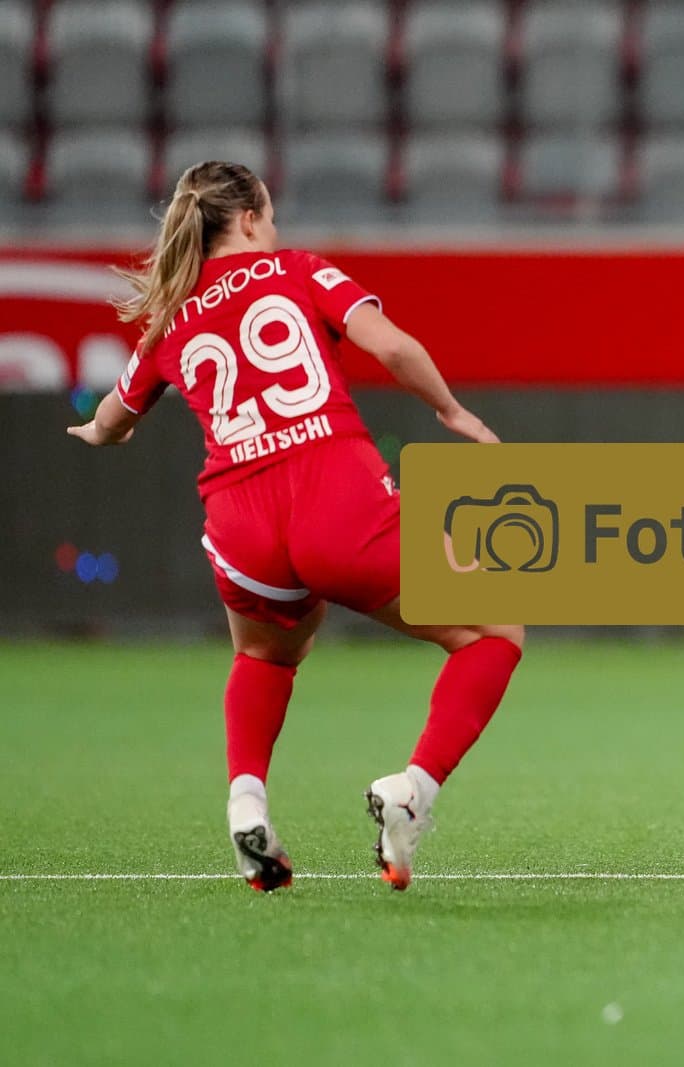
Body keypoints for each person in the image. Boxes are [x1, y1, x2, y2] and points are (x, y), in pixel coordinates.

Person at [68, 161, 524, 892]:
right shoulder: (299, 270)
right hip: (336, 499)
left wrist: (94, 433)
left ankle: (246, 798)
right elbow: (394, 347)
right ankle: (413, 791)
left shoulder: (171, 320)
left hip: (241, 527)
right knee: (496, 627)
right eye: (270, 216)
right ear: (248, 219)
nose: (275, 229)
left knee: (266, 655)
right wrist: (451, 410)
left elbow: (114, 417)